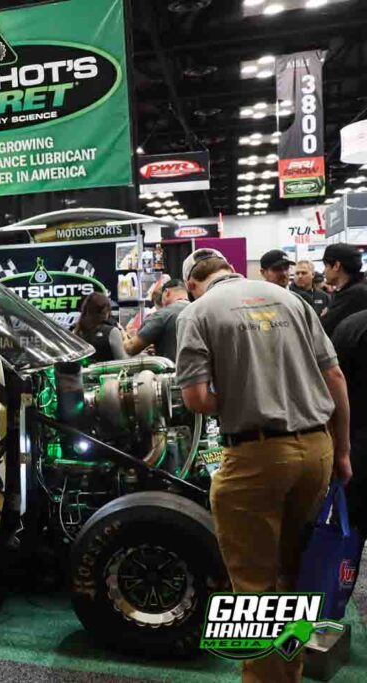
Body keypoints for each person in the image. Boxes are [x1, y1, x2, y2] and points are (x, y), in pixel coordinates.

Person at [175, 248, 351, 683]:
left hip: (256, 458)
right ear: (230, 269)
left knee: (254, 589)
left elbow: (196, 399)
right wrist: (343, 451)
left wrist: (242, 396)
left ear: (194, 283)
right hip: (317, 449)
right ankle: (289, 672)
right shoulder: (290, 299)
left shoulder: (197, 312)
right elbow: (335, 380)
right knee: (292, 576)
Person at [331, 309, 367, 595]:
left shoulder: (350, 326)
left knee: (347, 535)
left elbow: (331, 387)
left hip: (355, 446)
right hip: (355, 444)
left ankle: (334, 605)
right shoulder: (351, 327)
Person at [123, 279, 188, 360]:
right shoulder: (199, 309)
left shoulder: (163, 314)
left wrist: (123, 335)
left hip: (174, 370)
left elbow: (131, 347)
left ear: (167, 292)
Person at [322, 243, 367, 336]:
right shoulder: (352, 290)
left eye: (326, 266)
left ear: (336, 266)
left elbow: (324, 328)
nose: (324, 271)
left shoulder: (355, 294)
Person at [71, 292, 126, 362]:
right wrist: (124, 335)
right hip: (111, 372)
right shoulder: (112, 332)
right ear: (105, 311)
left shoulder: (76, 332)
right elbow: (123, 362)